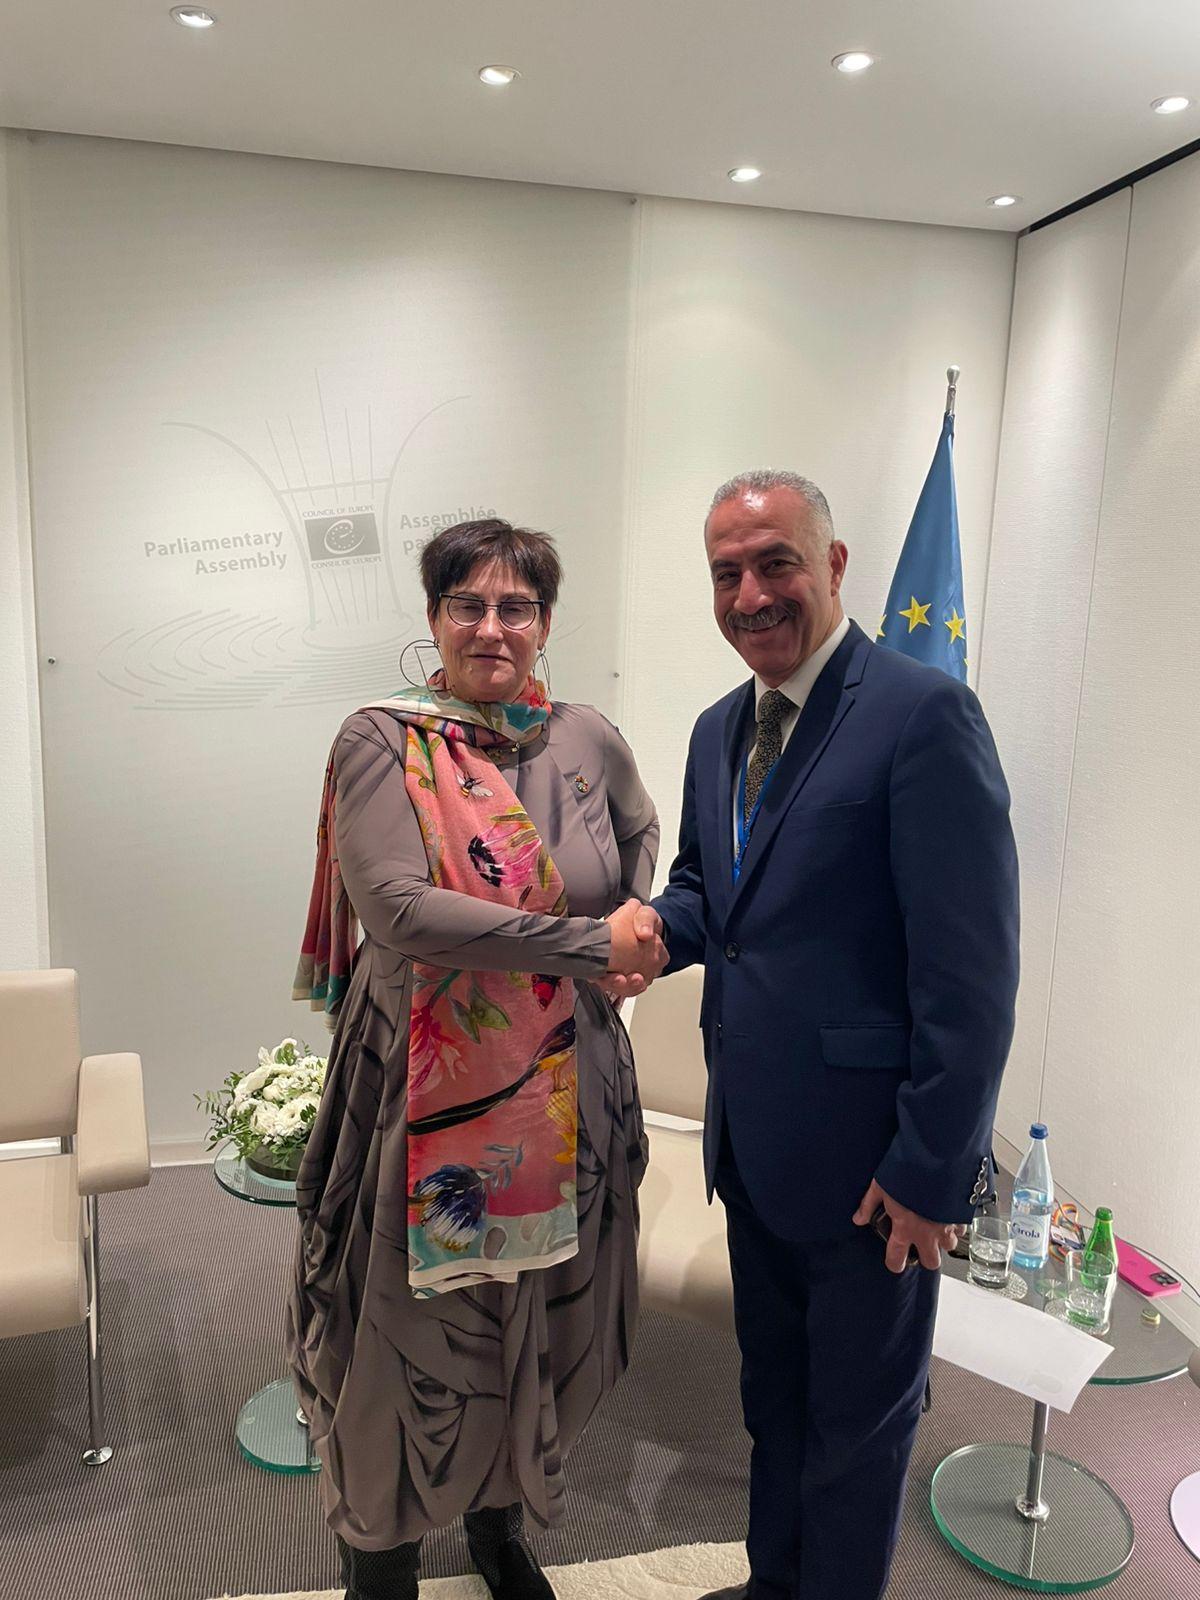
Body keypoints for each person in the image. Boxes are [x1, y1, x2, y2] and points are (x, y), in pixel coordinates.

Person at [627, 470, 1019, 1600]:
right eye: (726, 574)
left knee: (858, 1431)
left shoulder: (923, 714)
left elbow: (971, 977)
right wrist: (652, 930)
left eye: (776, 564)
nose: (751, 595)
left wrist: (931, 1173)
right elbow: (713, 889)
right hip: (752, 1152)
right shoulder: (717, 730)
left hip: (873, 1177)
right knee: (777, 1405)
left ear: (834, 565)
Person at [288, 518, 666, 1600]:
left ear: (545, 623)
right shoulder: (382, 742)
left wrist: (638, 916)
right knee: (408, 1328)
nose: (492, 626)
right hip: (424, 1088)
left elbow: (641, 832)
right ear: (434, 618)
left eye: (517, 607)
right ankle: (383, 1557)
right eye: (469, 604)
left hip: (567, 1089)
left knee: (537, 1311)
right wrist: (593, 946)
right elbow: (400, 911)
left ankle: (499, 1525)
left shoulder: (585, 738)